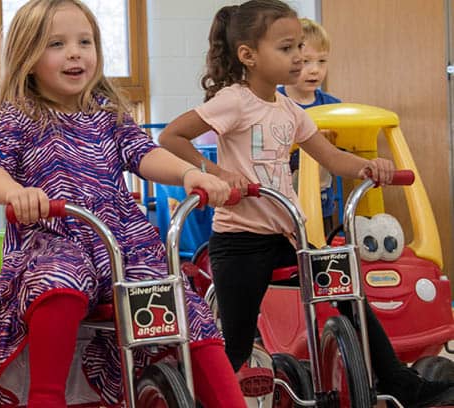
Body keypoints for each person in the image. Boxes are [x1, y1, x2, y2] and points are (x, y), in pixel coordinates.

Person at [158, 1, 454, 407]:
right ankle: (210, 397)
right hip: (239, 241)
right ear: (249, 55)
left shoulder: (290, 110)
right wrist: (214, 173)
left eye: (300, 46)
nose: (298, 56)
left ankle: (399, 382)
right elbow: (172, 137)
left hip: (286, 237)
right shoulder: (234, 100)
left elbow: (332, 158)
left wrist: (370, 166)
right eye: (286, 48)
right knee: (238, 345)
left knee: (349, 295)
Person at [0, 1, 245, 407]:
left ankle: (229, 400)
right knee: (57, 281)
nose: (75, 52)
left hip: (121, 241)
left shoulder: (108, 115)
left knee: (179, 300)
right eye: (56, 43)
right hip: (55, 235)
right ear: (28, 58)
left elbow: (144, 154)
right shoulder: (19, 116)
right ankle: (46, 397)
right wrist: (16, 193)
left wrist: (190, 174)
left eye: (85, 42)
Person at [279, 18, 340, 232]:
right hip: (282, 209)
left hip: (322, 207)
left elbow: (344, 152)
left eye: (322, 62)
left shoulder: (333, 107)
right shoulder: (275, 103)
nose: (315, 70)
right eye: (306, 62)